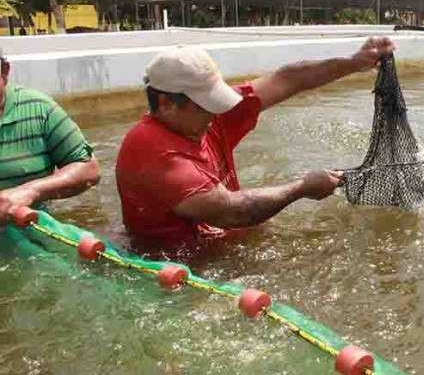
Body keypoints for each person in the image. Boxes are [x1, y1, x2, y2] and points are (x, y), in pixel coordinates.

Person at [116, 37, 395, 247]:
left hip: (224, 243)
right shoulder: (151, 150)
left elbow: (289, 78)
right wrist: (302, 187)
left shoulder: (206, 117)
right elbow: (232, 212)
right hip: (182, 273)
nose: (215, 114)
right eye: (205, 106)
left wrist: (353, 62)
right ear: (166, 103)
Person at [0, 50, 100, 226]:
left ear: (5, 71)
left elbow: (89, 169)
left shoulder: (39, 110)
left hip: (28, 229)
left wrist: (29, 191)